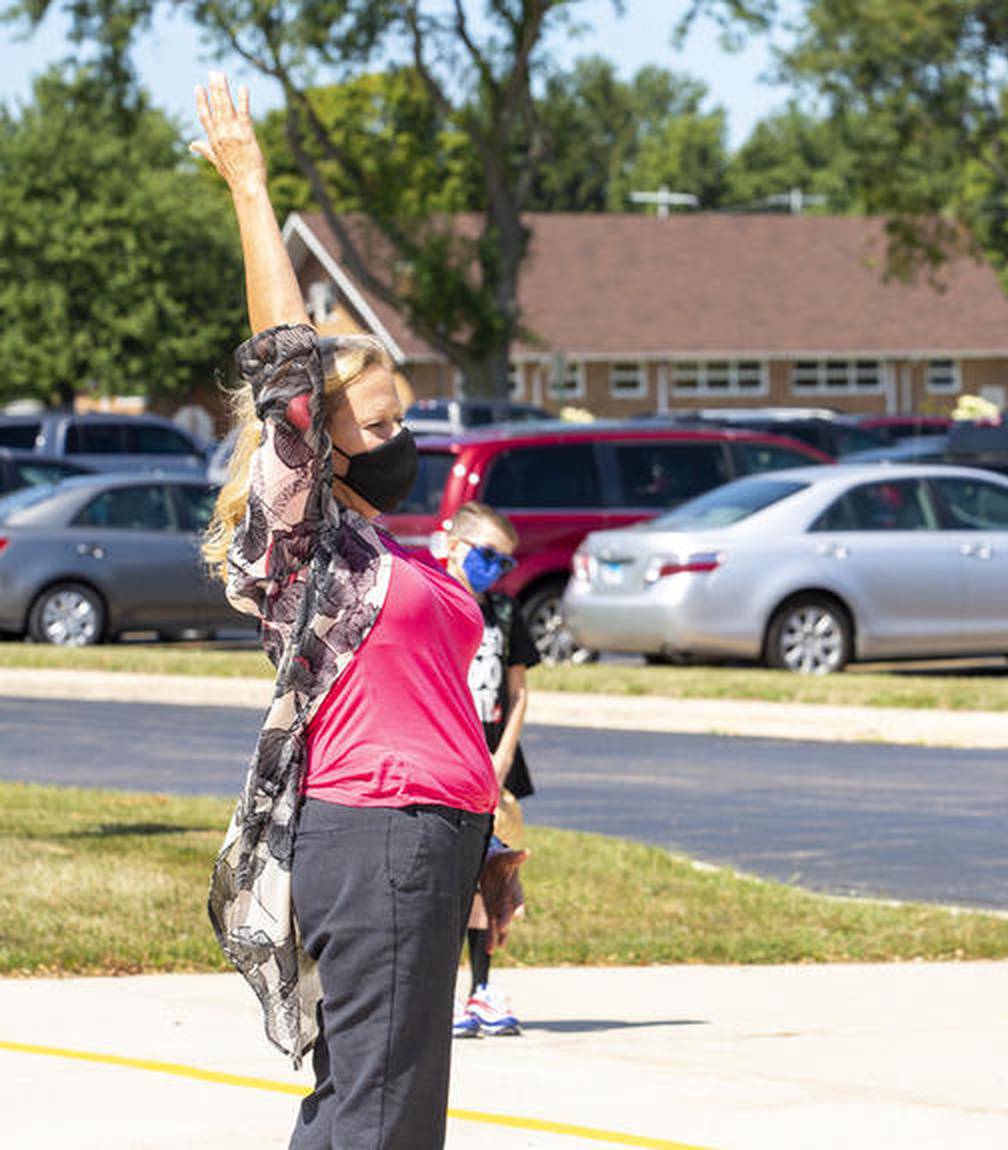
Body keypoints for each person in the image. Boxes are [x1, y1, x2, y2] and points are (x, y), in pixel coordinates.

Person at [193, 73, 497, 1149]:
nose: (410, 435)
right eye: (383, 419)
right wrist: (251, 187)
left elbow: (442, 704)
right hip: (376, 833)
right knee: (382, 1109)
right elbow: (285, 364)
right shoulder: (310, 538)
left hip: (431, 835)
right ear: (323, 437)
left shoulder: (393, 550)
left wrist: (491, 845)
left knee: (371, 1098)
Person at [441, 501, 537, 1038]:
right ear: (454, 546)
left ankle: (480, 989)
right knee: (449, 879)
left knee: (492, 876)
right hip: (450, 762)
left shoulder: (504, 614)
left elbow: (519, 692)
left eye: (506, 562)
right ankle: (444, 991)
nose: (498, 570)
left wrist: (502, 758)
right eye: (488, 557)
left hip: (494, 765)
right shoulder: (436, 603)